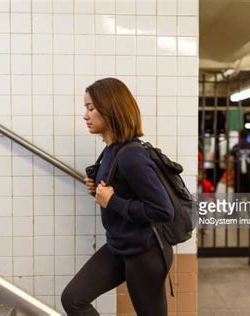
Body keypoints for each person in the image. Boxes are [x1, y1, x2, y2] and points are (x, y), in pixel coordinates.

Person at [61, 78, 174, 316]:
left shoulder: (132, 156)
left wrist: (113, 201)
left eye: (91, 108)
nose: (85, 115)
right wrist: (99, 191)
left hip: (145, 254)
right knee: (73, 298)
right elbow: (122, 191)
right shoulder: (111, 150)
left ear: (111, 109)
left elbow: (163, 210)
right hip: (119, 247)